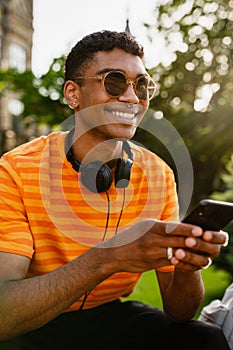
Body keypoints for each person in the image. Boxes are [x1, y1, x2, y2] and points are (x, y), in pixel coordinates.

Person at [0, 30, 230, 350]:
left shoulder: (159, 175)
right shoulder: (14, 170)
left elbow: (181, 311)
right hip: (33, 320)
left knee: (205, 339)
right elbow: (3, 315)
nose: (133, 98)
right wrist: (107, 259)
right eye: (115, 82)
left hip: (109, 316)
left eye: (143, 86)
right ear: (73, 93)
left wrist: (187, 268)